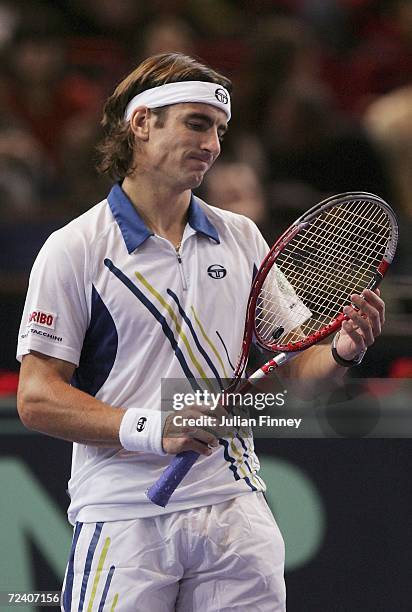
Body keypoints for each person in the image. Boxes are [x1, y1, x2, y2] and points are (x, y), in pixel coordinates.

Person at [16, 52, 385, 612]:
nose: (212, 144)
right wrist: (154, 427)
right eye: (196, 123)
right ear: (141, 124)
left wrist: (340, 351)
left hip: (236, 511)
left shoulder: (241, 238)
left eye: (218, 129)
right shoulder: (75, 248)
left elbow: (297, 374)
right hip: (124, 517)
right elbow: (36, 397)